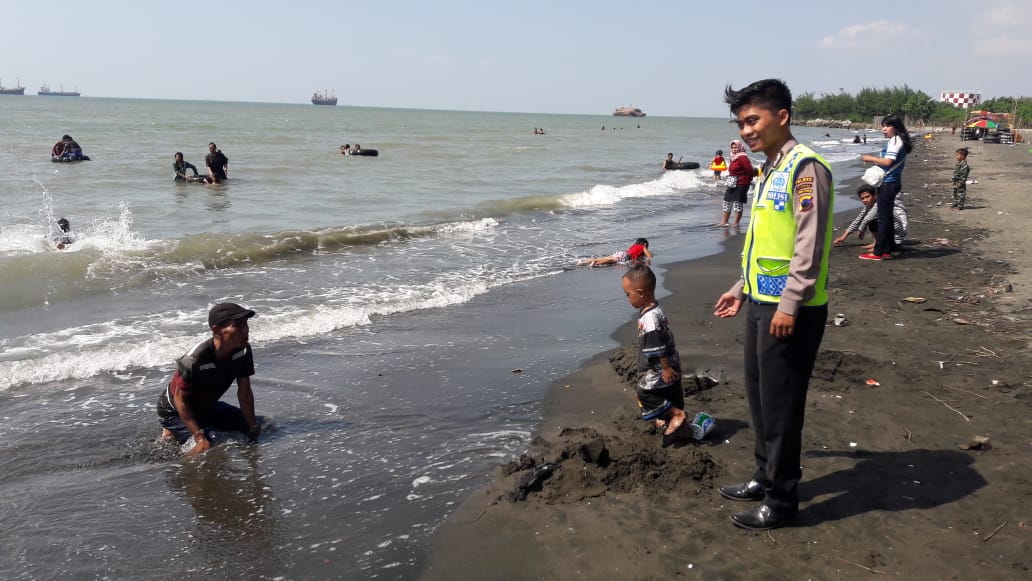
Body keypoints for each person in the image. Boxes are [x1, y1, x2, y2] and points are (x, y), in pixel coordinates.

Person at [713, 78, 834, 531]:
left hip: (791, 311)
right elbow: (767, 240)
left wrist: (789, 305)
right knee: (760, 399)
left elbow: (810, 244)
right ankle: (765, 477)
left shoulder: (806, 168)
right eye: (740, 122)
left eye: (752, 119)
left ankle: (782, 502)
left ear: (782, 116)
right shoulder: (769, 169)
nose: (745, 130)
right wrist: (741, 286)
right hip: (762, 302)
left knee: (782, 408)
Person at [156, 303, 261, 455]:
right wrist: (199, 438)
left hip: (206, 406)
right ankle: (172, 432)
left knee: (262, 425)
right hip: (174, 410)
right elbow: (180, 400)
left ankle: (195, 427)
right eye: (238, 325)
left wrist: (252, 427)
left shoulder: (243, 350)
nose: (245, 330)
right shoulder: (194, 360)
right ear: (216, 330)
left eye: (246, 324)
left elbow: (244, 393)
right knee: (212, 443)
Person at [621, 264, 688, 445]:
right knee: (671, 391)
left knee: (644, 392)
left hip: (661, 365)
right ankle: (675, 421)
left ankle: (676, 414)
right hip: (670, 361)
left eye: (629, 294)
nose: (628, 299)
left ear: (641, 292)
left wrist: (665, 367)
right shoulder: (654, 309)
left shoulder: (649, 317)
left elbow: (657, 343)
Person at [859, 114, 912, 260]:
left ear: (895, 128)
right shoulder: (897, 140)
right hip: (892, 182)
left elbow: (888, 162)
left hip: (889, 183)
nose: (884, 129)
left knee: (883, 218)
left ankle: (879, 252)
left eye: (887, 126)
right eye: (883, 126)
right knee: (886, 217)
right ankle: (887, 249)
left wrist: (870, 158)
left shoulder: (895, 141)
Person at [833, 184, 908, 251]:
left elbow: (867, 219)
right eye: (862, 198)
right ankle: (877, 243)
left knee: (872, 221)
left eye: (867, 197)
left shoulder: (879, 204)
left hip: (896, 239)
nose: (865, 200)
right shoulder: (869, 206)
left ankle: (881, 246)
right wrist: (843, 237)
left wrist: (861, 230)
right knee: (871, 221)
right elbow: (858, 219)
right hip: (893, 238)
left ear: (875, 196)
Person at [717, 139, 754, 227]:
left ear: (740, 147)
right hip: (732, 183)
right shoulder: (733, 157)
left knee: (737, 203)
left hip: (741, 184)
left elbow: (750, 170)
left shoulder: (743, 157)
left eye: (736, 147)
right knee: (727, 201)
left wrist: (747, 181)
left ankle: (736, 223)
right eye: (732, 147)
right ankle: (724, 222)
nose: (734, 149)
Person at [586, 238, 653, 267]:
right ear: (644, 244)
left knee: (605, 258)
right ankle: (595, 263)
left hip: (622, 253)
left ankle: (585, 261)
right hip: (626, 256)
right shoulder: (643, 247)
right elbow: (650, 256)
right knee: (611, 260)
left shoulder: (634, 246)